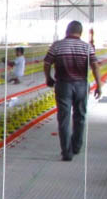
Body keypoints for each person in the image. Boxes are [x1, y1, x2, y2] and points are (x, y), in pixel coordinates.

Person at [43, 21, 102, 162]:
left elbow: (46, 63)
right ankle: (76, 146)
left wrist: (48, 78)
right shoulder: (87, 47)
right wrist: (99, 85)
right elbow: (95, 66)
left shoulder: (57, 45)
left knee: (64, 118)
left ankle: (66, 152)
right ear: (80, 32)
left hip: (63, 85)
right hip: (81, 84)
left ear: (67, 30)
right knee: (80, 116)